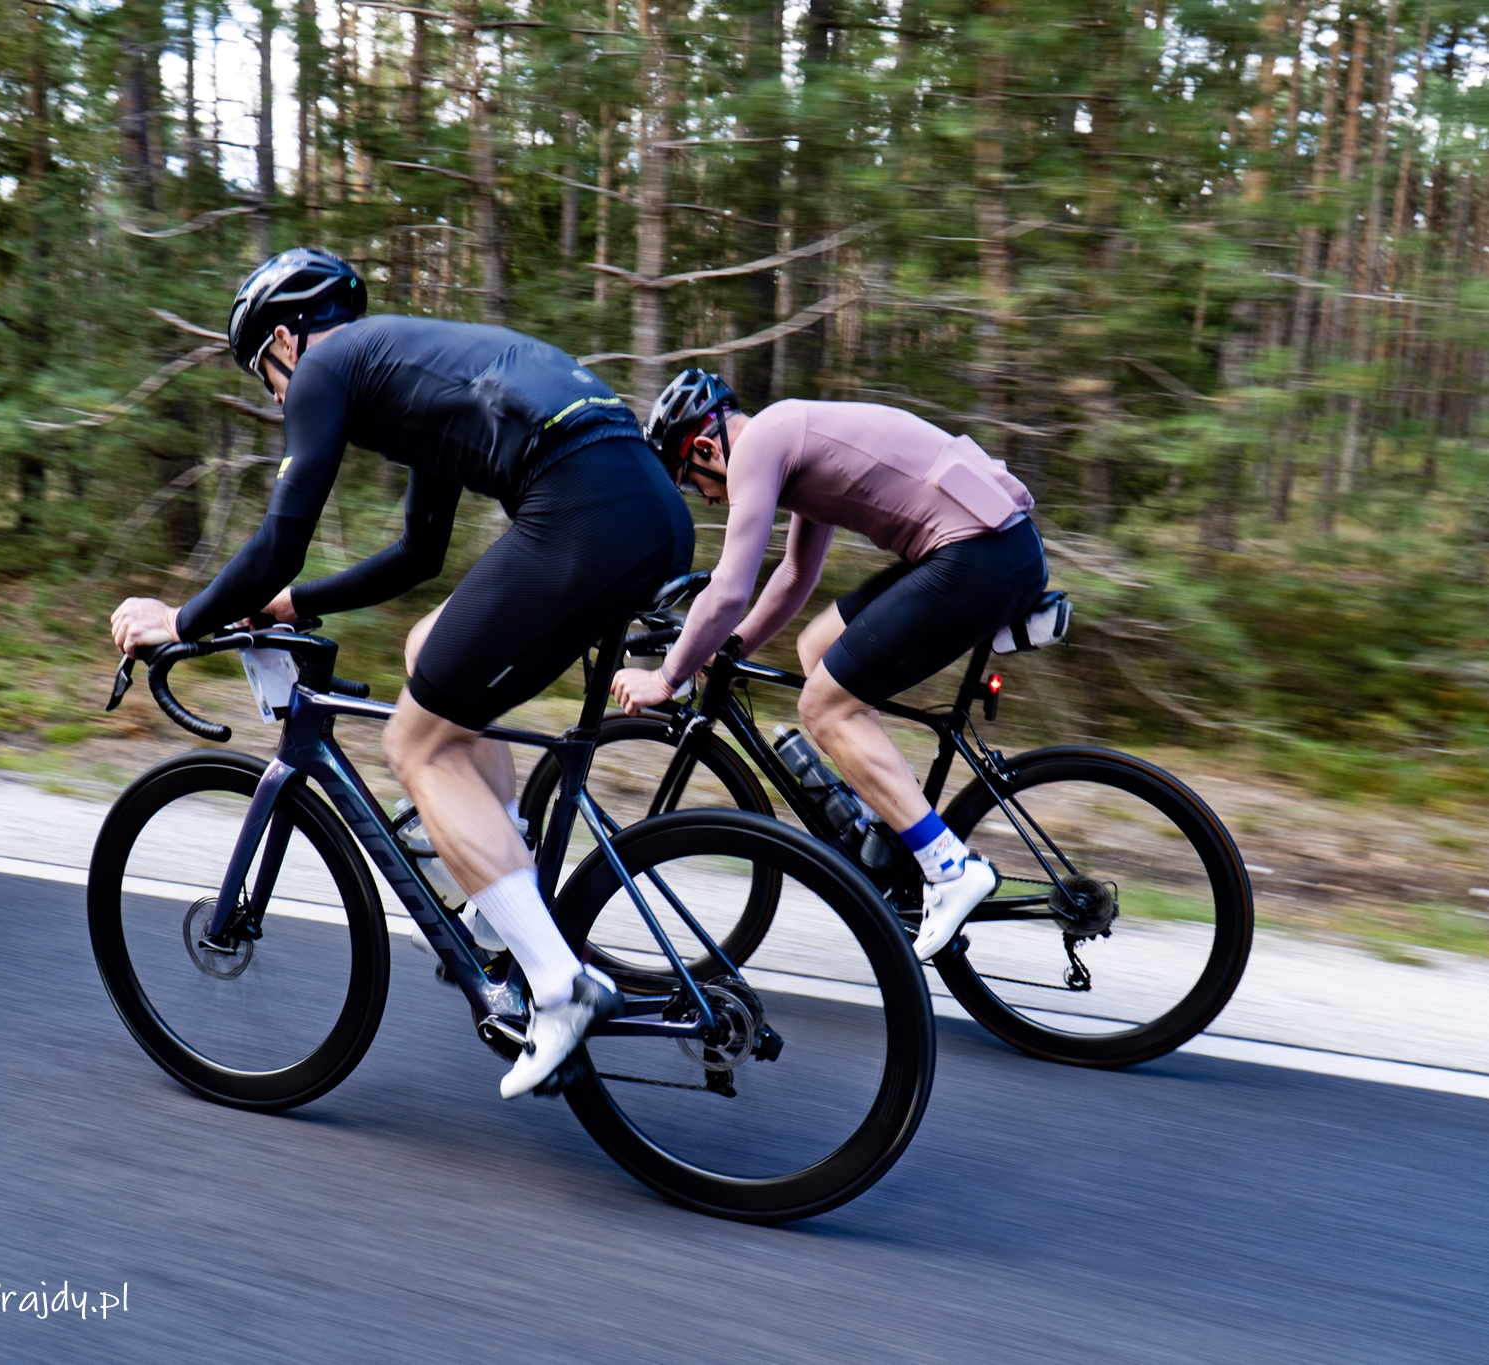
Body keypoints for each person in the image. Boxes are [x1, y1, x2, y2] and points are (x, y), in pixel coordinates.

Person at [110, 248, 694, 1097]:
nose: (274, 396)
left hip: (585, 508)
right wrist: (289, 605)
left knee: (414, 745)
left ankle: (560, 985)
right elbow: (419, 551)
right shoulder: (404, 364)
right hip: (646, 505)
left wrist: (183, 618)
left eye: (263, 372)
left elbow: (281, 537)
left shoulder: (325, 368)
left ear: (286, 338)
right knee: (430, 650)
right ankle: (499, 883)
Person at [610, 371, 1047, 960]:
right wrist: (725, 649)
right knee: (817, 648)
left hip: (979, 554)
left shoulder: (760, 445)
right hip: (992, 545)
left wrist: (668, 677)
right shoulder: (787, 437)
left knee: (823, 706)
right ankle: (887, 822)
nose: (706, 498)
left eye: (691, 482)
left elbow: (731, 586)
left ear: (707, 448)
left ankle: (948, 866)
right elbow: (796, 576)